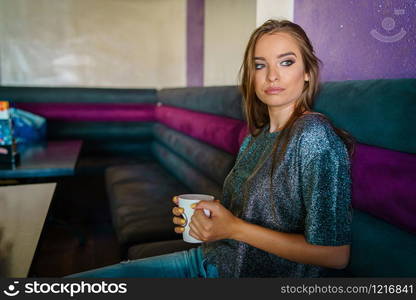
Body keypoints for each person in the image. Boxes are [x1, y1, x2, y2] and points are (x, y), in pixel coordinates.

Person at [67, 19, 354, 278]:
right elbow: (245, 216)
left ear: (307, 72)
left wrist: (233, 229)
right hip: (209, 260)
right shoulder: (256, 137)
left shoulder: (315, 136)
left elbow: (334, 254)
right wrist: (209, 221)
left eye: (286, 62)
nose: (272, 76)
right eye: (260, 65)